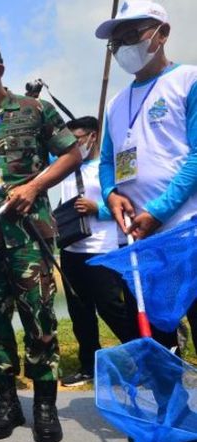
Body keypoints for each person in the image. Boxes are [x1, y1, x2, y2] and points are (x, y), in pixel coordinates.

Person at [0, 42, 82, 442]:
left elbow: (72, 154)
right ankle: (7, 402)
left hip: (29, 237)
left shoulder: (35, 111)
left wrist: (34, 185)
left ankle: (44, 405)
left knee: (40, 321)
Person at [95, 0, 197, 353]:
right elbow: (106, 162)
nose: (125, 47)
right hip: (138, 242)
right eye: (117, 42)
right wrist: (110, 192)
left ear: (162, 34)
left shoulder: (188, 80)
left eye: (132, 35)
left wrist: (158, 211)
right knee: (155, 338)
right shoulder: (115, 103)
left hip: (186, 231)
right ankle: (170, 406)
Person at [58, 116, 140, 387]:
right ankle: (88, 365)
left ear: (93, 136)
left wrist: (98, 209)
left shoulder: (110, 168)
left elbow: (132, 204)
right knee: (80, 312)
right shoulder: (65, 166)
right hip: (71, 249)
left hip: (102, 248)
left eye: (76, 138)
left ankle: (140, 358)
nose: (72, 144)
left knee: (112, 308)